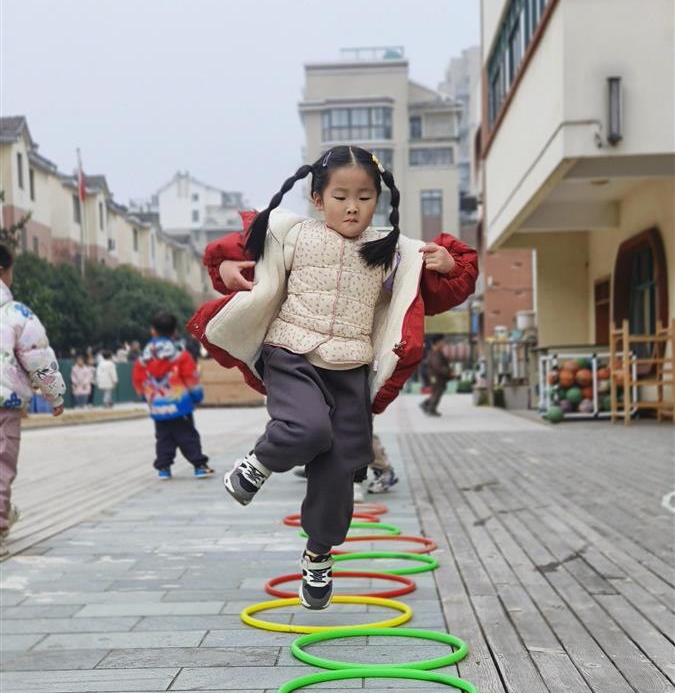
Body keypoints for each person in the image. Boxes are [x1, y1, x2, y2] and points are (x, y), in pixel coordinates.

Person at [188, 145, 477, 610]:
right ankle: (258, 463)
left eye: (364, 197)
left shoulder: (392, 250)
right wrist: (222, 266)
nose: (353, 207)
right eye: (340, 196)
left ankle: (318, 555)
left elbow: (439, 290)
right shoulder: (291, 232)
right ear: (318, 199)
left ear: (378, 200)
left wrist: (450, 266)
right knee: (307, 428)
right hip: (292, 353)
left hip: (350, 367)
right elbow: (233, 253)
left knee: (340, 468)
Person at [0, 243, 66, 550]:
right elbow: (38, 357)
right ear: (3, 272)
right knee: (1, 464)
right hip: (4, 407)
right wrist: (55, 396)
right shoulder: (15, 314)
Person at [132, 311, 214, 480]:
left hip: (157, 404)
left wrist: (144, 396)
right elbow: (190, 377)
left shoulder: (145, 356)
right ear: (175, 332)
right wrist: (196, 396)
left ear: (152, 331)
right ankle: (199, 465)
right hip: (179, 404)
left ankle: (163, 468)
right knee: (187, 435)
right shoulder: (180, 354)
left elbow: (138, 377)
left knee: (163, 437)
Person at [420, 335, 451, 416]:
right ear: (438, 343)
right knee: (437, 391)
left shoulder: (436, 352)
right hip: (435, 377)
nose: (443, 343)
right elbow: (438, 366)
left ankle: (427, 405)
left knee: (437, 391)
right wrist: (448, 372)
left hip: (435, 377)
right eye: (442, 342)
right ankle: (430, 408)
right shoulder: (435, 353)